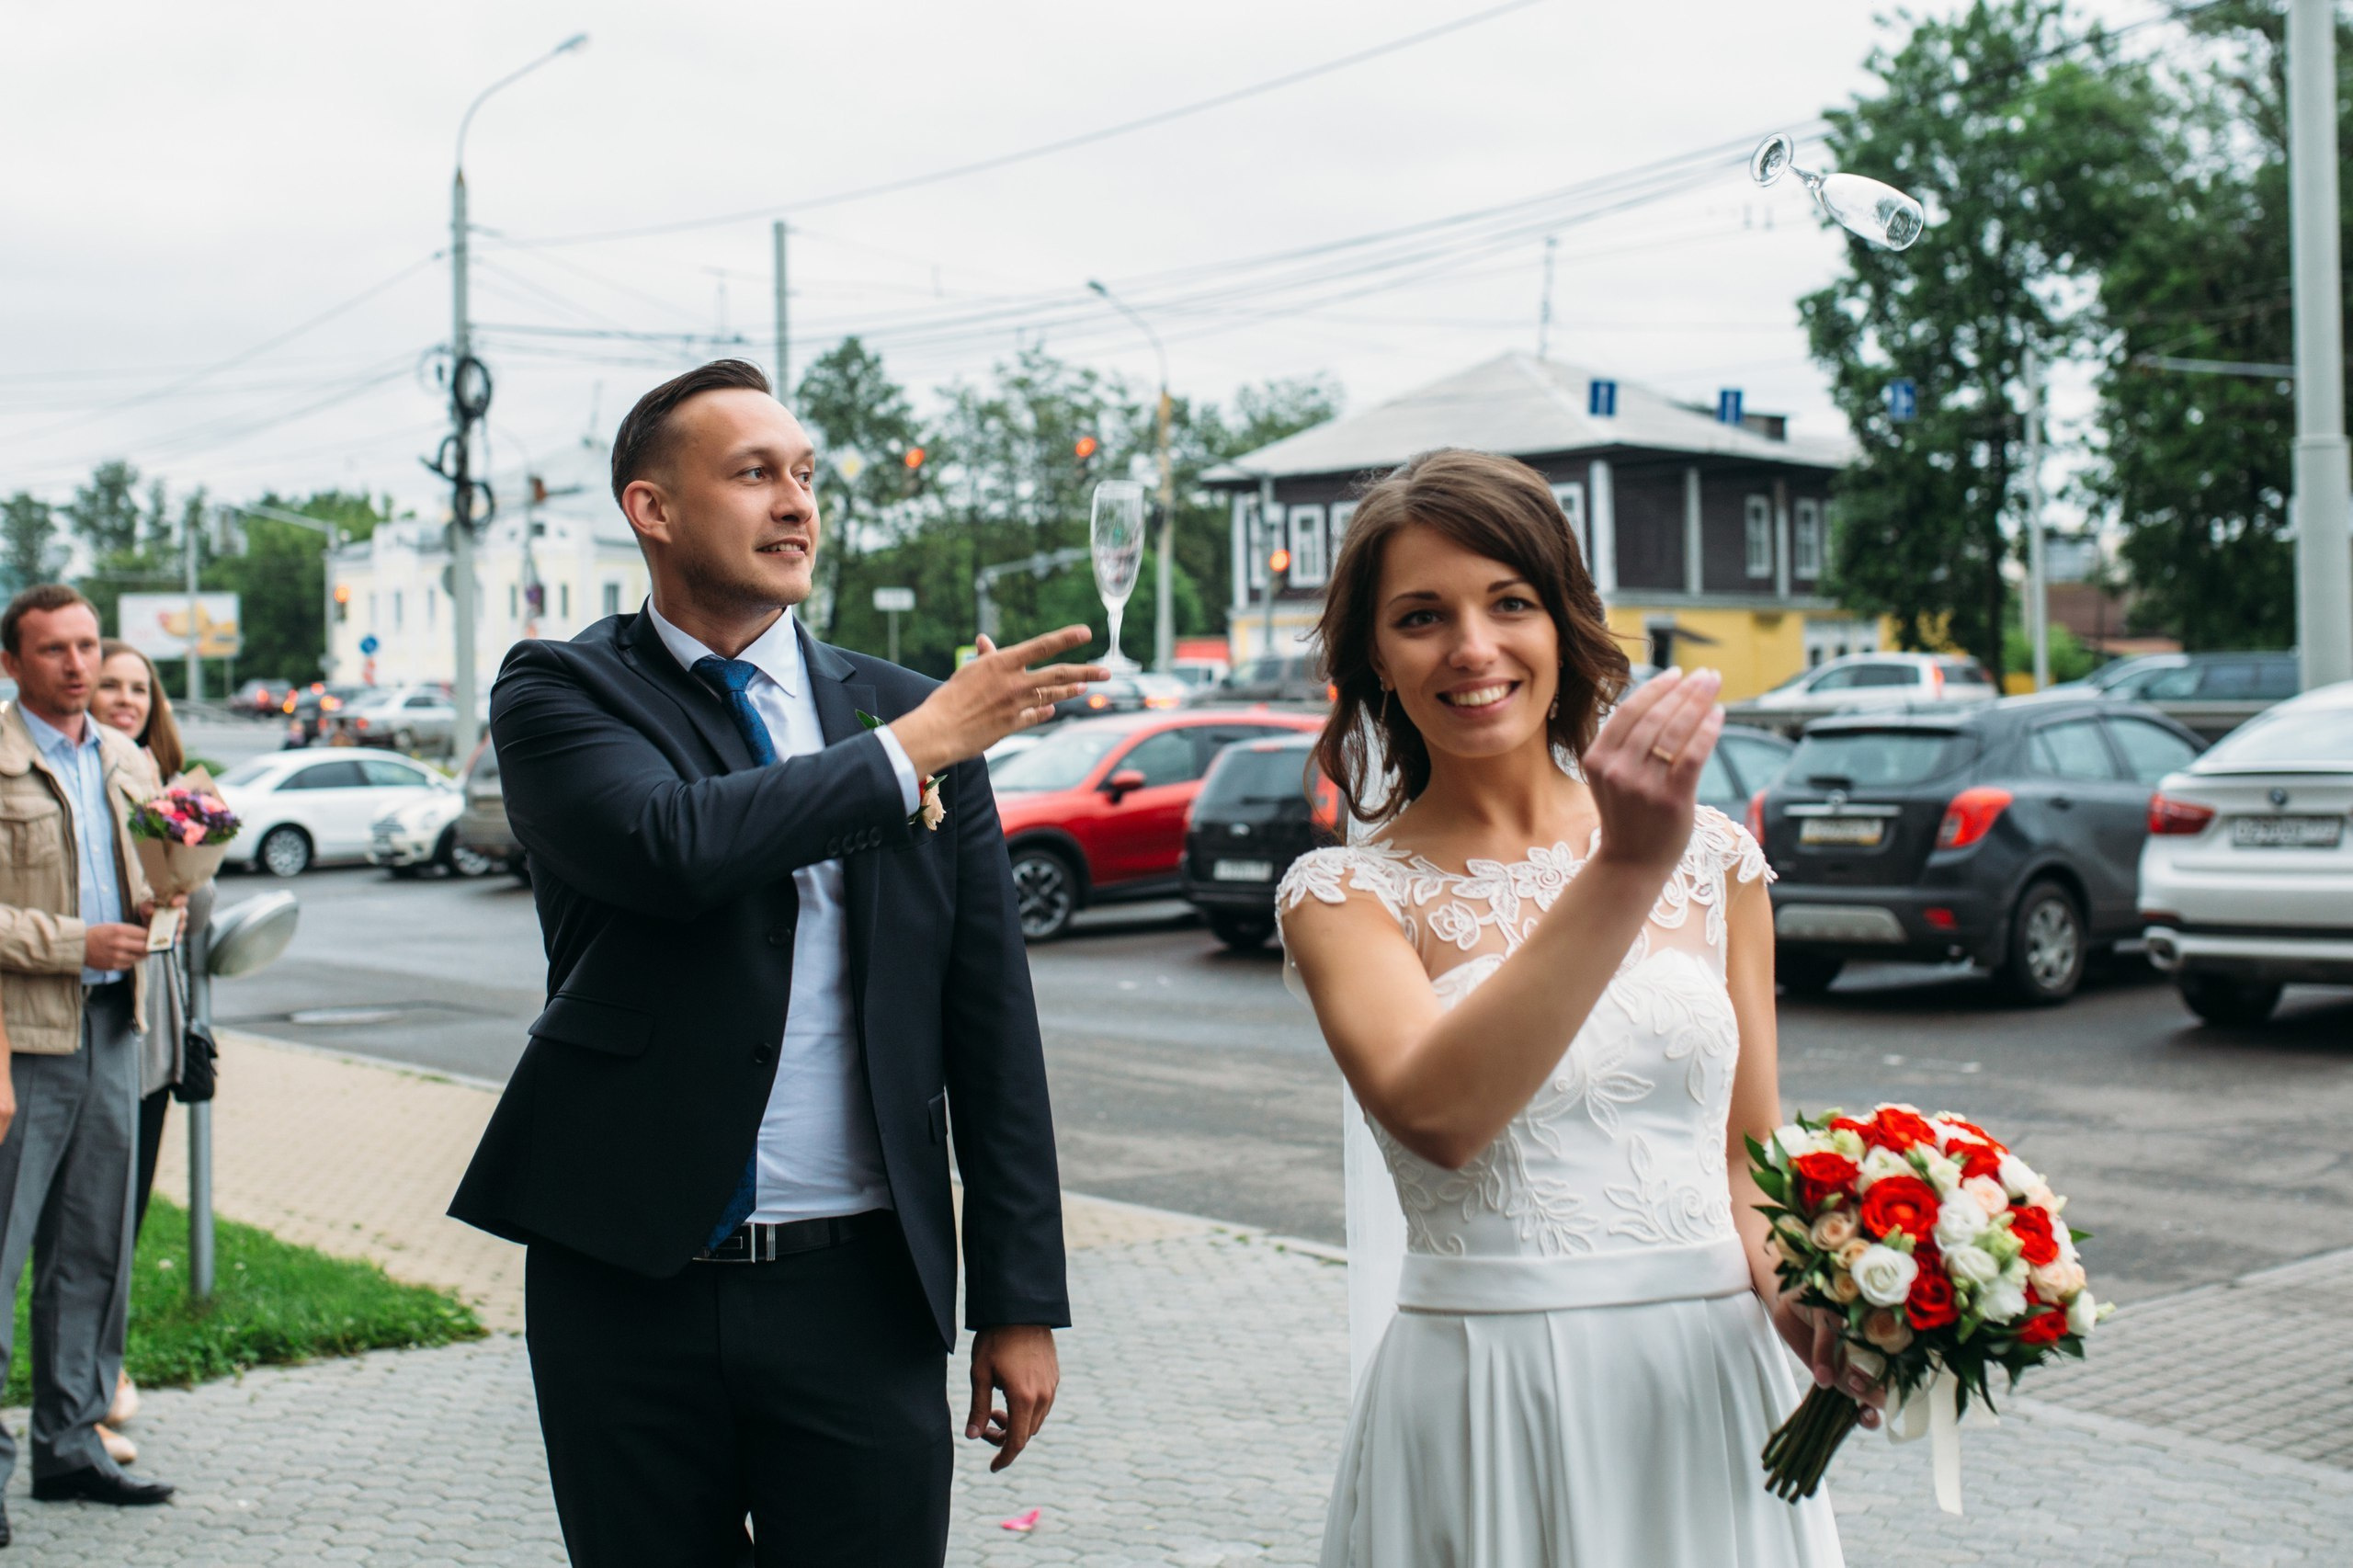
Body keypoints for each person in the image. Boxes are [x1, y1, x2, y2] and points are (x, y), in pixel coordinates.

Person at [449, 359, 1102, 1567]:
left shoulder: (901, 708)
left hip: (860, 1287)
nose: (796, 502)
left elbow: (990, 1022)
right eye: (754, 475)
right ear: (652, 509)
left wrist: (1020, 1298)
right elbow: (669, 846)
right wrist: (913, 751)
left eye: (804, 475)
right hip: (626, 1281)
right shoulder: (563, 689)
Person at [1278, 450, 1876, 1567]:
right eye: (1421, 616)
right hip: (1490, 1395)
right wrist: (1624, 868)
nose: (1471, 646)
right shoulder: (1343, 895)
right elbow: (1441, 1114)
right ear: (1373, 654)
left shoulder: (1717, 862)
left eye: (1510, 602)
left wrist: (1812, 1307)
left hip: (1708, 1390)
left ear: (1565, 622)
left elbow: (1747, 1158)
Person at [0, 585, 179, 1535]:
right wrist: (76, 941)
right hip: (25, 1039)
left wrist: (161, 911)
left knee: (91, 1255)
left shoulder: (126, 757)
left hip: (118, 1028)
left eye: (87, 645)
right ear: (12, 662)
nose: (77, 665)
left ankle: (69, 1446)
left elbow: (160, 875)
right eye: (53, 650)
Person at [90, 639, 217, 1467]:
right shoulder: (71, 782)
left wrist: (183, 879)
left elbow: (195, 927)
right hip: (88, 1017)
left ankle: (100, 1379)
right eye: (111, 684)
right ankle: (83, 1391)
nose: (127, 698)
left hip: (157, 1023)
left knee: (120, 1220)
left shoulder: (172, 788)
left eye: (140, 687)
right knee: (75, 1226)